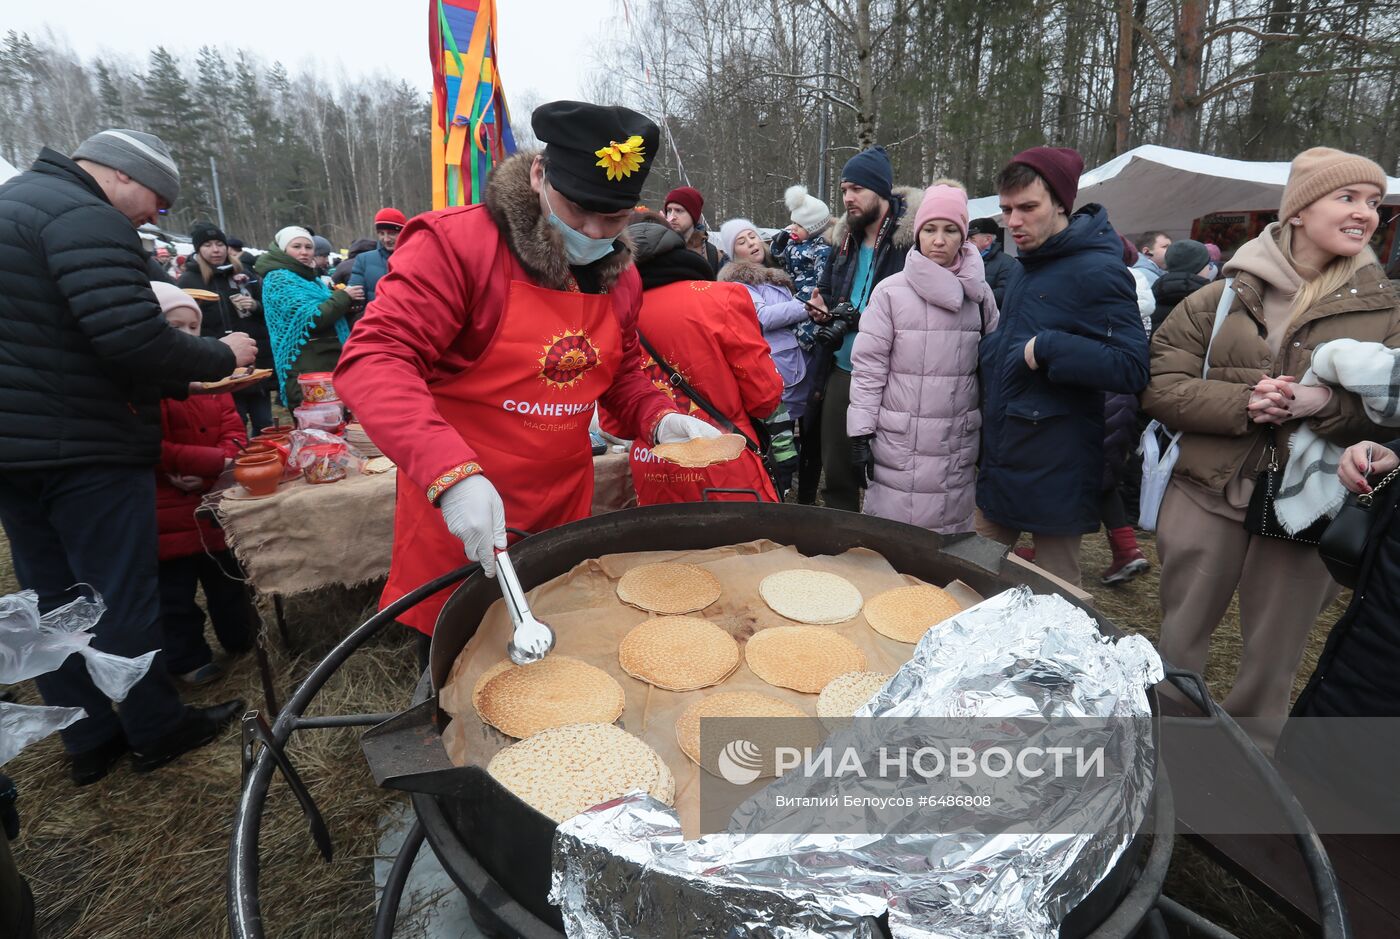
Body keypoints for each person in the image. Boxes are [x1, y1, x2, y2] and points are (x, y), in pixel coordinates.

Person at [334, 100, 718, 647]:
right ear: (539, 174)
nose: (591, 230)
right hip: (462, 502)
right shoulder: (456, 246)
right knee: (463, 661)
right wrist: (451, 475)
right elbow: (377, 356)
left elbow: (621, 371)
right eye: (577, 208)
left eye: (612, 218)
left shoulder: (622, 278)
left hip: (561, 506)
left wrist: (660, 419)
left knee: (560, 656)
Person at [0, 128, 254, 783]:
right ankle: (156, 726)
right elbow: (130, 337)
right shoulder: (82, 215)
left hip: (15, 448)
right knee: (118, 593)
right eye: (156, 202)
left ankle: (87, 737)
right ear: (121, 174)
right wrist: (222, 355)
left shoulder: (16, 206)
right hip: (85, 444)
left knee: (50, 600)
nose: (152, 217)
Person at [1142, 147, 1400, 733]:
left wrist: (1327, 405)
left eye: (1373, 203)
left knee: (1274, 657)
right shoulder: (1221, 296)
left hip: (1309, 508)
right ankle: (1168, 744)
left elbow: (1395, 409)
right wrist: (1243, 402)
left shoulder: (1388, 308)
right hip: (1208, 491)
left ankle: (1248, 773)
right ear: (1300, 210)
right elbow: (1160, 386)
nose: (1366, 213)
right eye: (1348, 197)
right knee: (1179, 637)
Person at [975, 146, 1149, 587]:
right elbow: (1014, 344)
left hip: (1058, 467)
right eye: (1006, 210)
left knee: (1055, 600)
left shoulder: (1098, 270)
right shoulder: (1025, 268)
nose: (1013, 222)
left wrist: (1051, 347)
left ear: (1060, 204)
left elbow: (1132, 368)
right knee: (970, 575)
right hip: (1004, 455)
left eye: (1027, 208)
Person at [847, 183, 996, 532]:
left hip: (955, 443)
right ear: (918, 234)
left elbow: (990, 369)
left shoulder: (980, 295)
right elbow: (869, 370)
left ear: (964, 236)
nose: (939, 240)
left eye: (950, 230)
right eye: (930, 229)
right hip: (899, 444)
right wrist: (859, 434)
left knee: (946, 545)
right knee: (894, 545)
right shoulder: (889, 293)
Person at [619, 213, 785, 504]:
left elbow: (614, 423)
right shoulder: (722, 298)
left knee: (665, 550)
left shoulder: (613, 314)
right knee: (748, 548)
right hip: (725, 463)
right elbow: (765, 397)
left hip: (654, 467)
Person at [151, 282, 256, 685]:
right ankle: (187, 659)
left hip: (212, 500)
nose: (185, 336)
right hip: (167, 509)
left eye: (192, 329)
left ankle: (241, 638)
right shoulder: (149, 389)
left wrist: (223, 459)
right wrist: (215, 460)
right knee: (175, 597)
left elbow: (233, 427)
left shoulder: (212, 383)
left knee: (227, 580)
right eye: (173, 327)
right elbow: (155, 446)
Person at [807, 146, 922, 512]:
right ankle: (842, 556)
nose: (848, 198)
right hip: (841, 369)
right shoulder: (846, 238)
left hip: (893, 376)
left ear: (881, 190)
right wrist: (822, 309)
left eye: (856, 188)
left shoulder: (913, 243)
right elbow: (827, 290)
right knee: (837, 475)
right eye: (843, 190)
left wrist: (862, 317)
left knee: (889, 476)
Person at [770, 184, 835, 505]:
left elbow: (824, 279)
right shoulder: (795, 245)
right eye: (790, 226)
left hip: (810, 304)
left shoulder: (821, 250)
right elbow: (783, 259)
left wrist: (816, 297)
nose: (791, 230)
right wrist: (780, 245)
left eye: (796, 227)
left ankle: (805, 489)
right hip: (799, 304)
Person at [178, 223, 275, 434]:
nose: (216, 250)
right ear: (198, 249)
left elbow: (269, 311)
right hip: (219, 363)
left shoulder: (244, 274)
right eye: (208, 245)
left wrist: (256, 306)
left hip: (254, 358)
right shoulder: (189, 280)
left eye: (219, 244)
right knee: (234, 423)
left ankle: (264, 459)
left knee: (264, 422)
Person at [255, 227, 363, 409]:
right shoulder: (279, 279)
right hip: (306, 367)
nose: (304, 252)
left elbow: (323, 309)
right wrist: (344, 297)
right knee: (316, 427)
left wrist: (347, 306)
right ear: (283, 249)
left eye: (308, 247)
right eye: (296, 246)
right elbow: (312, 318)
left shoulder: (308, 277)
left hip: (323, 362)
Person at [1150, 238, 1212, 334]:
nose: (1209, 268)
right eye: (1208, 264)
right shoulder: (1212, 299)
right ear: (1200, 266)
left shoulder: (1152, 294)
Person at [348, 207, 407, 302]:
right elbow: (355, 299)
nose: (386, 239)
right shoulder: (364, 260)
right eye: (381, 233)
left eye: (391, 233)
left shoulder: (415, 260)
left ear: (403, 232)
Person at [663, 185, 724, 275]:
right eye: (669, 210)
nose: (672, 217)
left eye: (679, 211)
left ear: (693, 215)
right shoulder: (658, 248)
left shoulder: (713, 255)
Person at [968, 217, 1017, 309]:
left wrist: (970, 300)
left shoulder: (1007, 263)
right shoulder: (962, 260)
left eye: (972, 239)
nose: (967, 243)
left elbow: (1004, 294)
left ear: (987, 240)